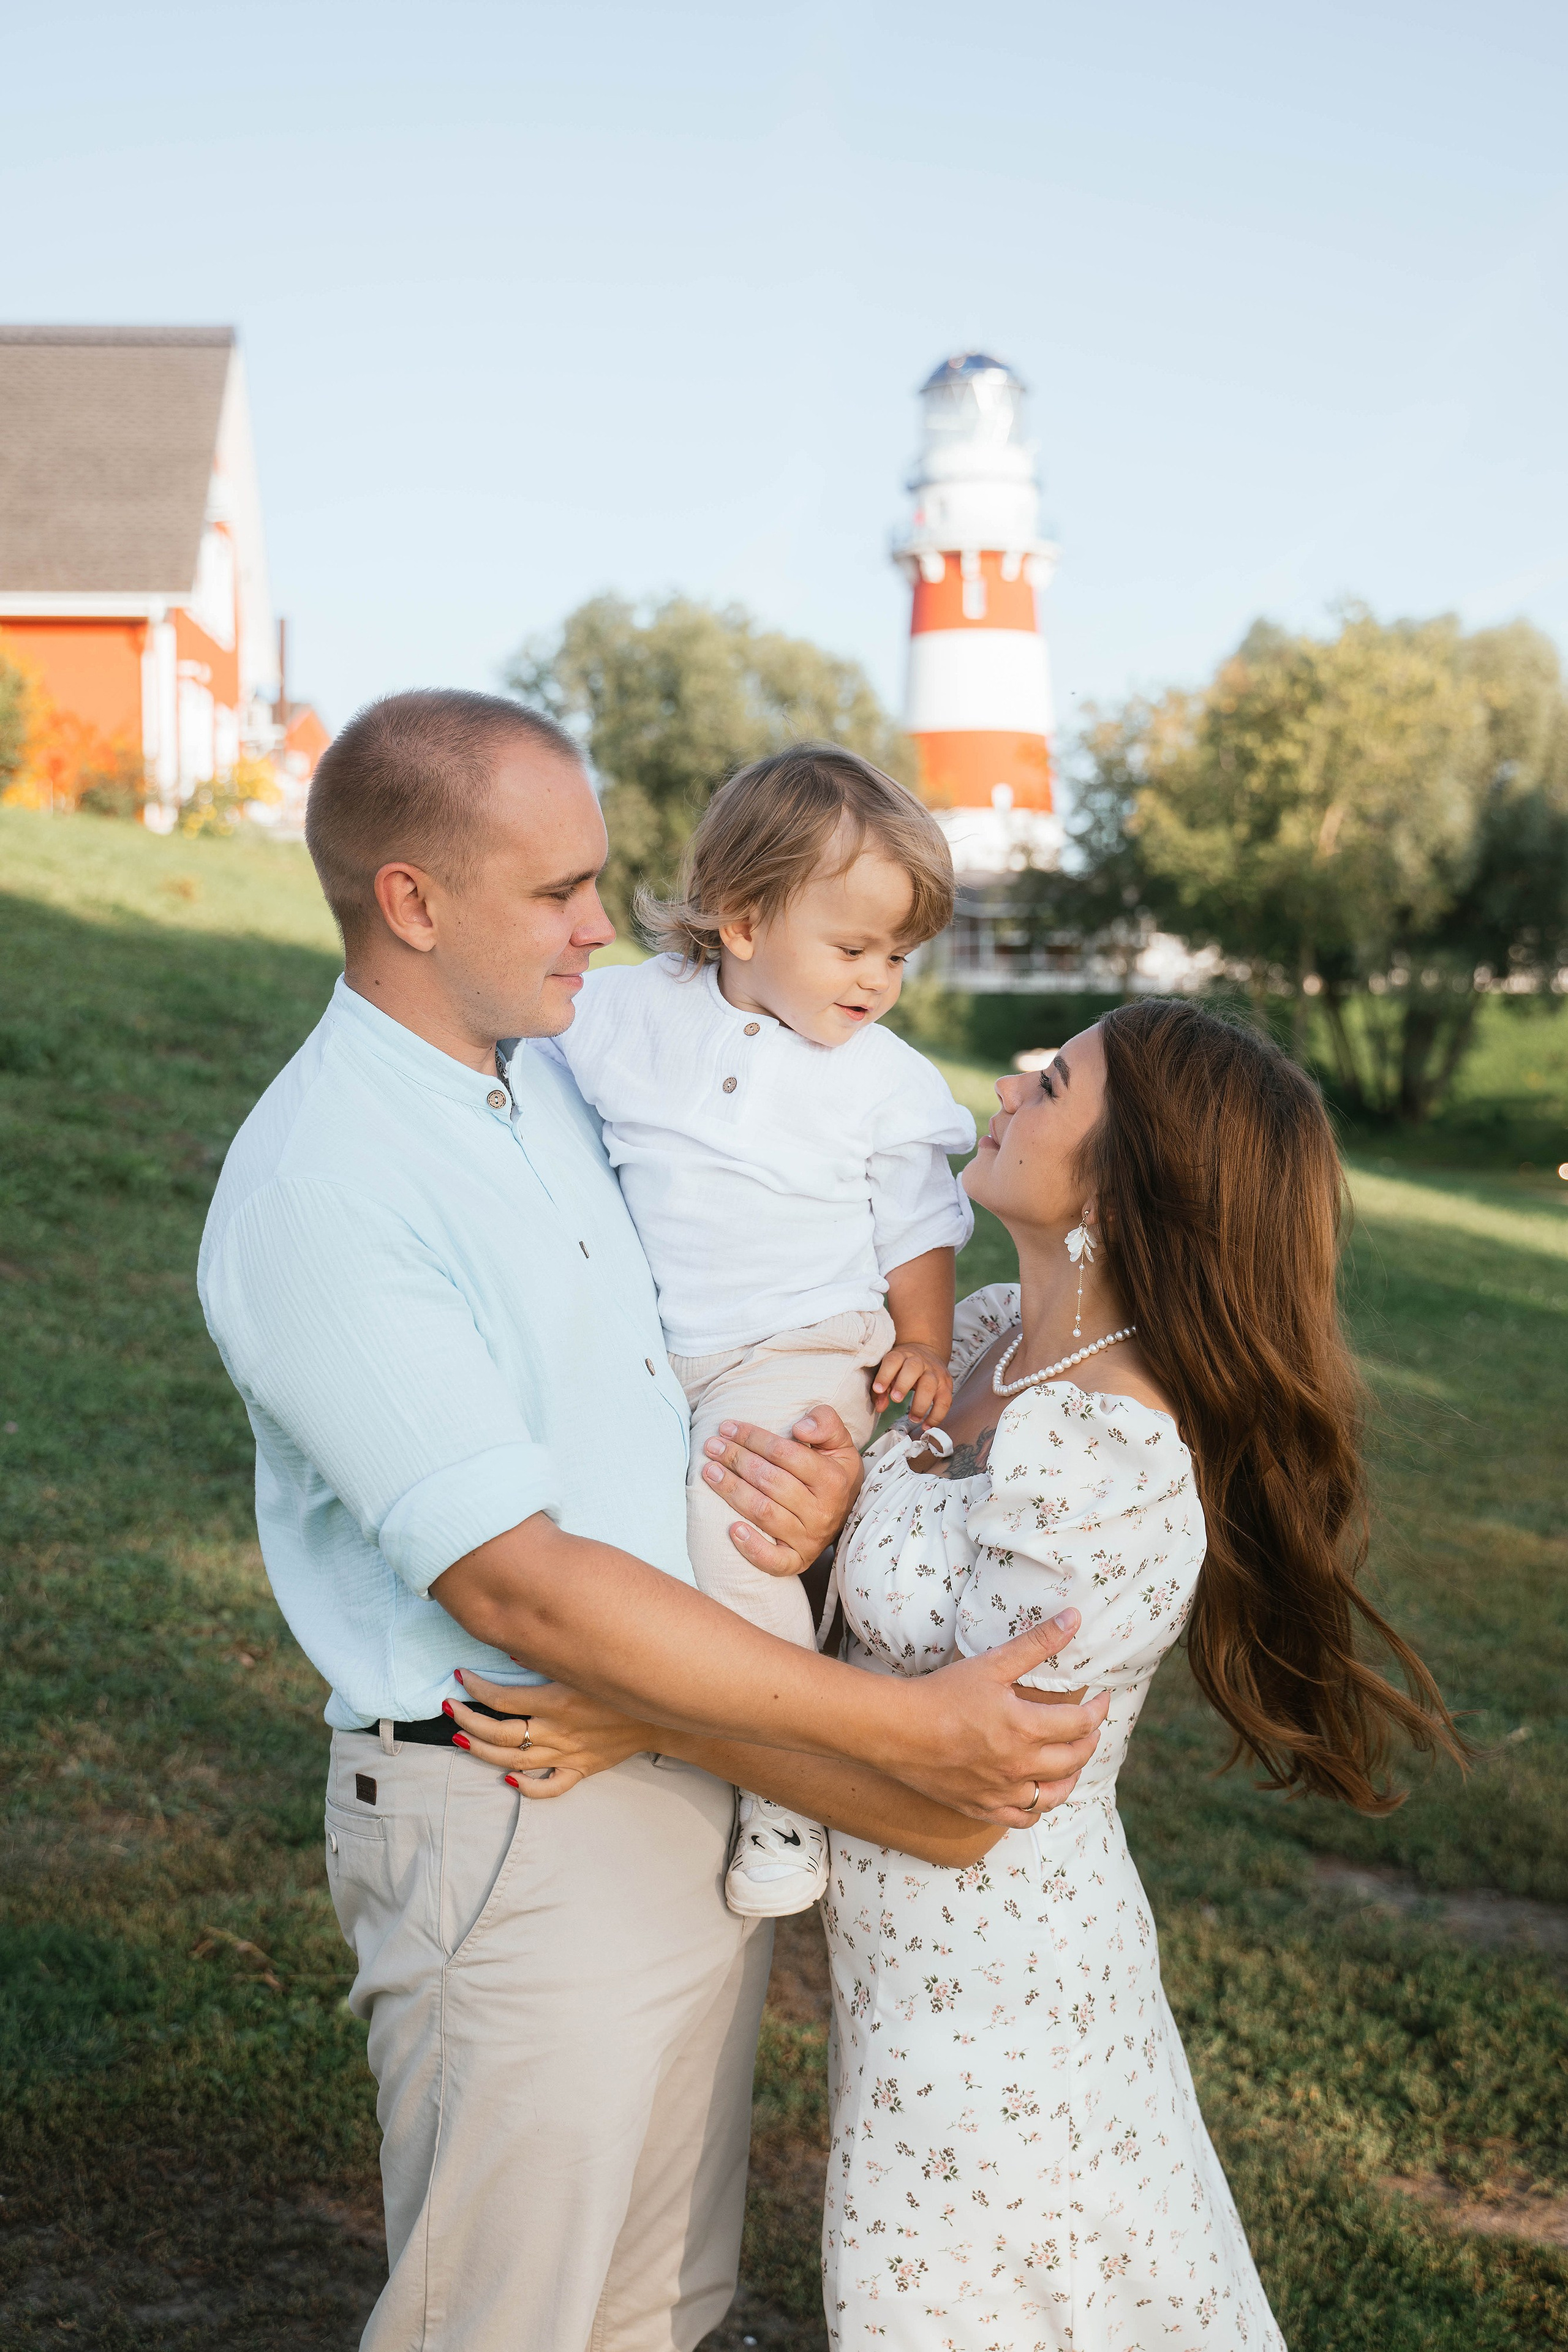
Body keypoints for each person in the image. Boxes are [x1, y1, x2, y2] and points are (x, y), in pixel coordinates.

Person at [195, 688, 1108, 2352]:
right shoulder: (324, 1184)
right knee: (510, 2323)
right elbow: (522, 1586)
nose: (608, 927)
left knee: (657, 2311)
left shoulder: (547, 1082)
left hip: (675, 1755)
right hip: (516, 1800)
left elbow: (713, 1342)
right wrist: (894, 1743)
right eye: (559, 893)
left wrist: (823, 1503)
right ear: (411, 901)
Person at [458, 999, 1464, 2350]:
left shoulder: (1113, 1463)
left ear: (1122, 1186)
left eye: (1052, 1083)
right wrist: (815, 1541)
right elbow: (884, 1641)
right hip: (905, 1991)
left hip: (1003, 2019)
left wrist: (649, 1714)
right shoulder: (988, 1339)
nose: (1005, 1081)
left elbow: (954, 1807)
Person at [553, 745, 975, 1918]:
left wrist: (925, 1344)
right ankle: (654, 1722)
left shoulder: (883, 1084)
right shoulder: (630, 1010)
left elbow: (919, 1226)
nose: (880, 980)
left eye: (899, 955)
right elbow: (529, 1057)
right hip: (658, 1349)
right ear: (741, 921)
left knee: (737, 1533)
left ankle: (783, 1786)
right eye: (853, 949)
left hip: (798, 1350)